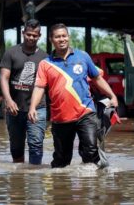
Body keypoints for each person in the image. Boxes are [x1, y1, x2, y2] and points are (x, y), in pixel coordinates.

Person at [28, 23, 118, 168]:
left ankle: (89, 184)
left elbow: (97, 79)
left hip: (86, 112)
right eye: (57, 37)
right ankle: (62, 187)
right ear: (51, 39)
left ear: (68, 37)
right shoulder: (45, 64)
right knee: (62, 161)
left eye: (64, 36)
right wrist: (32, 107)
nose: (61, 39)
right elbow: (39, 87)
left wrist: (112, 95)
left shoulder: (83, 56)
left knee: (90, 150)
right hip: (60, 117)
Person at [0, 19, 48, 165]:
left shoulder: (44, 58)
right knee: (16, 147)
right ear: (23, 33)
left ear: (39, 36)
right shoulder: (11, 53)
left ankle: (34, 177)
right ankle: (18, 181)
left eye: (35, 35)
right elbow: (3, 78)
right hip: (14, 108)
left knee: (36, 145)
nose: (31, 38)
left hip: (38, 108)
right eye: (29, 34)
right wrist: (8, 100)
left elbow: (47, 84)